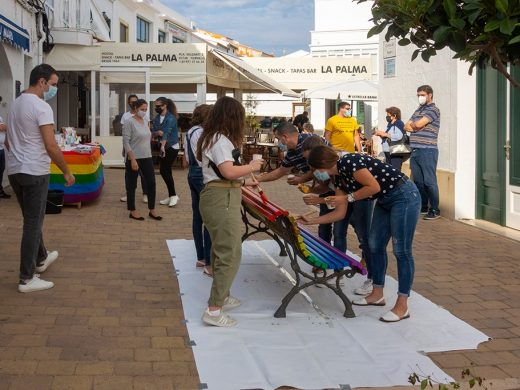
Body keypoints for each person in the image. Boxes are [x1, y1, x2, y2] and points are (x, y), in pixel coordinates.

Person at [300, 145, 421, 322]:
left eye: (315, 170)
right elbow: (339, 214)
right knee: (374, 245)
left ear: (322, 165)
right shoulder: (339, 178)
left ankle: (402, 305)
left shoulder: (350, 161)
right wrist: (310, 222)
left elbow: (373, 186)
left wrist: (347, 198)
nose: (316, 174)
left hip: (404, 195)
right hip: (386, 199)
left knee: (401, 251)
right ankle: (377, 294)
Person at [6, 64, 76, 292]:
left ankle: (42, 257)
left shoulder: (16, 104)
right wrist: (66, 170)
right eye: (53, 85)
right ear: (42, 82)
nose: (54, 89)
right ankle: (27, 278)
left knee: (32, 219)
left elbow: (7, 140)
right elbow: (51, 145)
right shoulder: (41, 107)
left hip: (15, 169)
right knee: (33, 223)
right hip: (35, 170)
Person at [197, 96, 263, 327]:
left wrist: (245, 183)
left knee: (221, 249)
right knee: (230, 252)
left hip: (221, 195)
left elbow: (221, 173)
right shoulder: (220, 140)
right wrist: (252, 168)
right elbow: (227, 172)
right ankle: (214, 310)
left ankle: (222, 295)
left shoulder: (214, 137)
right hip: (221, 198)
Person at [404, 85, 441, 220]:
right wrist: (415, 125)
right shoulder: (418, 110)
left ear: (430, 95)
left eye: (422, 94)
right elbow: (406, 126)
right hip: (415, 150)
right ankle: (424, 206)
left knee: (429, 181)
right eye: (418, 95)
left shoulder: (433, 110)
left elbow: (417, 125)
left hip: (428, 150)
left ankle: (435, 209)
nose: (420, 97)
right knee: (418, 181)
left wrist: (415, 125)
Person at [184, 104, 213, 276]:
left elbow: (189, 157)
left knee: (198, 217)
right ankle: (209, 261)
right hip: (201, 174)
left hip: (192, 173)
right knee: (208, 218)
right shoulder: (201, 132)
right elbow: (202, 158)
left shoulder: (191, 131)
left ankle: (201, 256)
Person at [122, 99, 161, 221]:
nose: (144, 112)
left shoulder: (145, 121)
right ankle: (132, 210)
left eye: (146, 109)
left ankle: (152, 209)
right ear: (135, 109)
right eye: (142, 109)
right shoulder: (129, 122)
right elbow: (126, 142)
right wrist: (132, 159)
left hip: (147, 156)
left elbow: (147, 137)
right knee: (132, 185)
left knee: (151, 183)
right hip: (134, 157)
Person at [255, 122, 314, 186]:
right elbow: (280, 171)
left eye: (278, 139)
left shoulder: (310, 142)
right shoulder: (291, 152)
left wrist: (302, 178)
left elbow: (321, 166)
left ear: (284, 137)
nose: (279, 142)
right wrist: (259, 178)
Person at [120, 94, 148, 204]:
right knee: (129, 173)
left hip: (142, 149)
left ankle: (145, 193)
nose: (133, 103)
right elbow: (124, 136)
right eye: (131, 102)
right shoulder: (126, 116)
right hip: (130, 148)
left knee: (144, 173)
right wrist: (124, 149)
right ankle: (129, 194)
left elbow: (147, 132)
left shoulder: (144, 116)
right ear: (129, 103)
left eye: (135, 101)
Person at [153, 97, 180, 207]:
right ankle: (171, 195)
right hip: (163, 147)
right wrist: (156, 133)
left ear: (165, 106)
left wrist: (163, 145)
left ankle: (173, 196)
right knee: (165, 171)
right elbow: (154, 131)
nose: (157, 108)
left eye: (159, 106)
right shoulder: (157, 118)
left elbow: (166, 133)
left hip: (172, 146)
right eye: (156, 106)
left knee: (165, 170)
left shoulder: (171, 118)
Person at [374, 107, 407, 171]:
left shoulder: (399, 123)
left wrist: (384, 134)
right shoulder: (390, 124)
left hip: (395, 151)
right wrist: (380, 134)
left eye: (388, 115)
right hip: (388, 151)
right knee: (389, 171)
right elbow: (389, 137)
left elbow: (399, 136)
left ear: (394, 115)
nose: (387, 117)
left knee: (395, 171)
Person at [0, 98, 11, 199]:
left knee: (1, 169)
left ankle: (0, 190)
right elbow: (2, 128)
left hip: (1, 148)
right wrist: (5, 127)